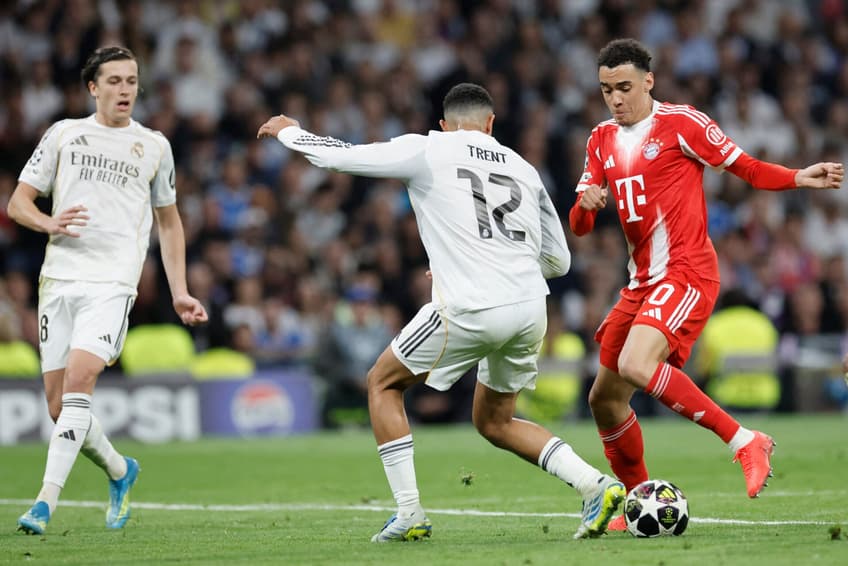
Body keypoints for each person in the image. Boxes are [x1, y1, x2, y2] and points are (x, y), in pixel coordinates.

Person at [258, 83, 626, 542]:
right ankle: (597, 486)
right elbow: (560, 262)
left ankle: (409, 513)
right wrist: (495, 258)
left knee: (382, 382)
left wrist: (292, 133)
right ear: (491, 124)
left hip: (471, 304)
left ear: (443, 124)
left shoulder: (429, 148)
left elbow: (340, 156)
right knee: (495, 421)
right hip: (530, 307)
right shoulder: (524, 168)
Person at [568, 38, 844, 531]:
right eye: (607, 89)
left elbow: (746, 167)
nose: (615, 98)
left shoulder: (683, 123)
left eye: (624, 87)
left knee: (635, 364)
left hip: (688, 272)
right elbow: (581, 226)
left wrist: (798, 177)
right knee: (603, 401)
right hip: (640, 283)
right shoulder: (600, 139)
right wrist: (585, 207)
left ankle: (745, 440)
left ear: (648, 82)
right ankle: (637, 503)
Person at [8, 46, 208, 535]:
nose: (125, 90)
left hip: (113, 284)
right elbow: (17, 203)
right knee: (58, 407)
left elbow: (169, 222)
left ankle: (43, 504)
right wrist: (49, 221)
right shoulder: (64, 134)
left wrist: (179, 290)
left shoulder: (155, 146)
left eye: (132, 81)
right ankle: (121, 470)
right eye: (114, 81)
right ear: (93, 87)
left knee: (80, 381)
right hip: (59, 280)